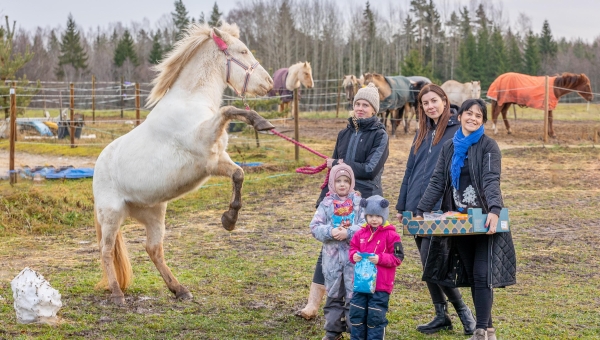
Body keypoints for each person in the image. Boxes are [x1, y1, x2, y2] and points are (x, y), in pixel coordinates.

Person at [415, 99, 517, 340]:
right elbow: (438, 181)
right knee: (472, 274)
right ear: (459, 116)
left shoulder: (488, 146)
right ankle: (488, 330)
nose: (472, 118)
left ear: (482, 121)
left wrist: (494, 210)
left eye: (478, 116)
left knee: (483, 273)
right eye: (468, 114)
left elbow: (492, 180)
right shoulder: (450, 147)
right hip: (458, 221)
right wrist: (420, 211)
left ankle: (480, 331)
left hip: (483, 219)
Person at [298, 83, 389, 320]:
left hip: (365, 201)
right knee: (329, 246)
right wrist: (323, 199)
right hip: (338, 200)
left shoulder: (380, 136)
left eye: (365, 105)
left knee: (361, 252)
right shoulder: (344, 133)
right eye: (358, 104)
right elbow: (334, 174)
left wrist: (340, 164)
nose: (360, 108)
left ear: (374, 110)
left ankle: (358, 307)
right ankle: (313, 304)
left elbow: (370, 169)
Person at [395, 84, 476, 335]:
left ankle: (464, 313)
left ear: (444, 100)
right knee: (426, 264)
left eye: (434, 101)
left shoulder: (456, 132)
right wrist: (402, 205)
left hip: (440, 208)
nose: (430, 106)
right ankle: (441, 315)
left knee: (434, 263)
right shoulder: (422, 132)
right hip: (416, 208)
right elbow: (410, 171)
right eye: (425, 103)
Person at [310, 163, 365, 340]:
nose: (342, 184)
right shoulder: (326, 204)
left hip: (353, 261)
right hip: (332, 261)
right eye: (338, 181)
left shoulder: (358, 203)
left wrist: (348, 232)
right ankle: (333, 331)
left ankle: (355, 330)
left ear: (351, 182)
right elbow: (315, 227)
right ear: (332, 182)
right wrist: (330, 231)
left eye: (346, 181)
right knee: (333, 295)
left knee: (353, 296)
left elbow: (365, 225)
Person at [349, 195, 404, 339]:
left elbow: (398, 257)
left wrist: (380, 258)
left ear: (384, 215)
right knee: (356, 314)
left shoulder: (392, 235)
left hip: (381, 285)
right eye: (370, 215)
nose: (374, 219)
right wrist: (354, 255)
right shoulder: (360, 233)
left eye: (378, 216)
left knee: (375, 317)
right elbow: (353, 248)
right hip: (361, 284)